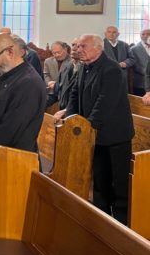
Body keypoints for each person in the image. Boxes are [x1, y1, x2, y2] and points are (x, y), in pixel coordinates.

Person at [55, 34, 134, 224]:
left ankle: (122, 223)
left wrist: (87, 127)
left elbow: (105, 102)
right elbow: (75, 94)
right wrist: (72, 120)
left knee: (118, 182)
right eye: (78, 46)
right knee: (99, 179)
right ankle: (102, 218)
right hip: (93, 134)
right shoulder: (84, 66)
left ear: (98, 48)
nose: (78, 49)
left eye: (84, 46)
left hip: (114, 135)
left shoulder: (111, 69)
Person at [47, 37, 80, 109]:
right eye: (73, 45)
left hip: (71, 101)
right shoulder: (68, 65)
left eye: (59, 52)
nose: (57, 55)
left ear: (65, 49)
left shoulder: (75, 62)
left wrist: (56, 84)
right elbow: (46, 75)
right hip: (56, 94)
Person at [130, 28, 150, 96]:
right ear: (140, 36)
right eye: (143, 34)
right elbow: (135, 65)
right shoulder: (134, 49)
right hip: (141, 84)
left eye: (148, 34)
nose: (145, 36)